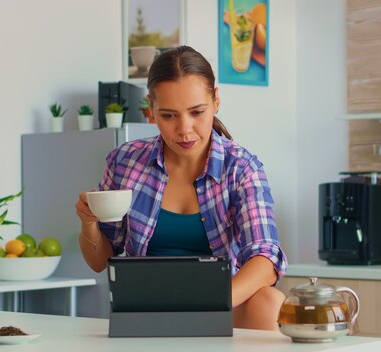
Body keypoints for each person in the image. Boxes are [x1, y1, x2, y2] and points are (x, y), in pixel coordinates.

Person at [76, 46, 287, 330]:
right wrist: (89, 224)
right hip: (148, 307)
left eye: (197, 112)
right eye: (169, 115)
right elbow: (100, 261)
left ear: (216, 101)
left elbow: (265, 257)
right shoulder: (125, 161)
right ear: (151, 109)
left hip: (222, 305)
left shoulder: (241, 168)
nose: (185, 129)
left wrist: (209, 303)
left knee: (270, 301)